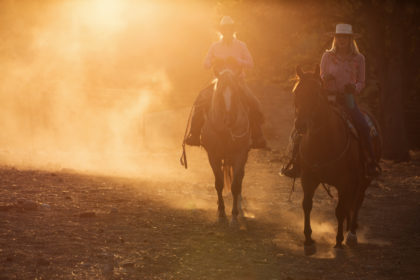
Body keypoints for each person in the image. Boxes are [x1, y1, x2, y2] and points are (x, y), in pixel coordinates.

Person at [282, 23, 380, 178]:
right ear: (335, 38)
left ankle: (370, 161)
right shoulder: (327, 56)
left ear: (350, 39)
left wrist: (353, 88)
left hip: (347, 97)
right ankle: (296, 162)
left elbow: (362, 82)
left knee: (362, 123)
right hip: (327, 96)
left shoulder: (359, 58)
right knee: (302, 122)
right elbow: (319, 77)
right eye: (339, 37)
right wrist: (324, 79)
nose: (342, 40)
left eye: (345, 37)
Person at [184, 16, 266, 149]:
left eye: (229, 29)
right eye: (224, 29)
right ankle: (194, 134)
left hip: (237, 81)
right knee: (200, 101)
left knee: (253, 102)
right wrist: (213, 62)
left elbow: (251, 64)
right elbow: (205, 64)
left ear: (233, 30)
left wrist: (237, 61)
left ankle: (257, 136)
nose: (227, 32)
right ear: (221, 31)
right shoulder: (214, 46)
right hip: (219, 82)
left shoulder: (241, 45)